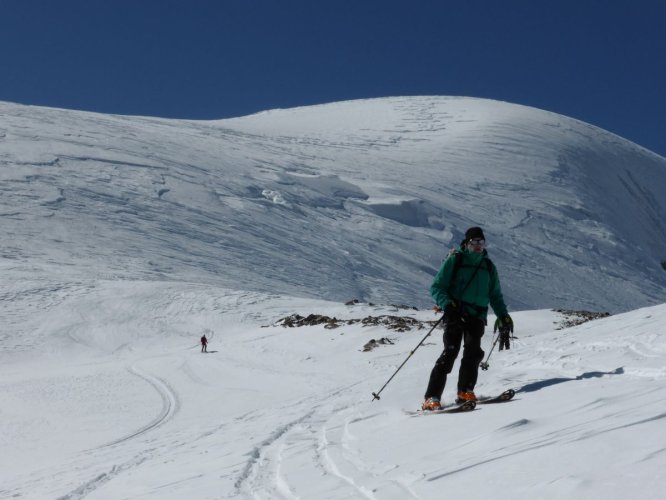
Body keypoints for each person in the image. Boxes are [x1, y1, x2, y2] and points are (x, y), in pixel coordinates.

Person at [422, 227, 513, 410]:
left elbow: (495, 295)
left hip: (477, 316)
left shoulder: (488, 266)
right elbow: (437, 287)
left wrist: (503, 316)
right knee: (450, 353)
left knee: (473, 353)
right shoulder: (456, 260)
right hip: (456, 313)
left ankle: (465, 391)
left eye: (481, 242)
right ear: (467, 243)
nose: (478, 246)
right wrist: (447, 305)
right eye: (474, 242)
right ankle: (431, 397)